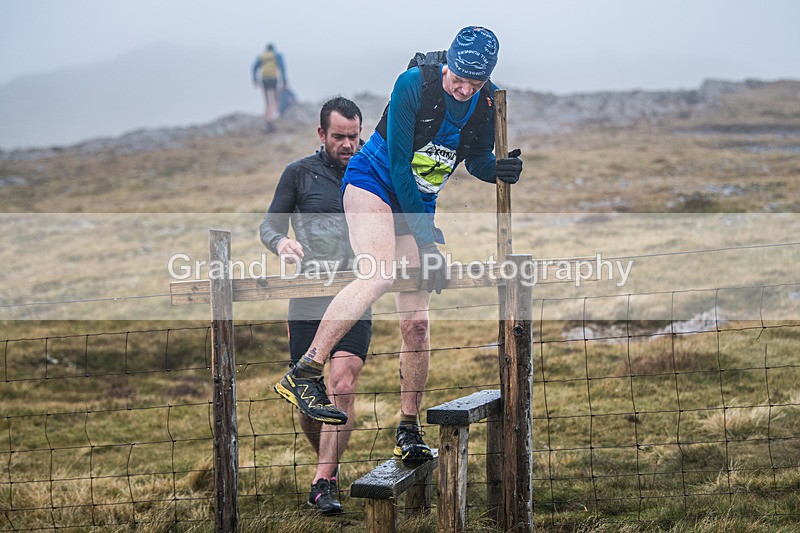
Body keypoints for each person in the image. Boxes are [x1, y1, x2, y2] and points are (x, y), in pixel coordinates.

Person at [273, 26, 523, 465]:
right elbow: (400, 170)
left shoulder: (487, 101)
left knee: (418, 323)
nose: (464, 89)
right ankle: (306, 371)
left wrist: (497, 170)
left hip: (419, 200)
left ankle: (408, 428)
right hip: (375, 184)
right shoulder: (415, 84)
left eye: (475, 83)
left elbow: (475, 156)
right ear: (448, 65)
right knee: (380, 272)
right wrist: (427, 242)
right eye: (459, 79)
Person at [262, 97, 370, 515]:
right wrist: (281, 242)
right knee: (310, 398)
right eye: (339, 136)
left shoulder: (369, 172)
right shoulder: (298, 174)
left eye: (354, 137)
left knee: (343, 381)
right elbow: (270, 224)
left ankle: (324, 480)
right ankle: (327, 464)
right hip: (307, 296)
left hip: (356, 293)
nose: (348, 145)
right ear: (321, 134)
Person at [252, 43, 287, 132]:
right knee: (276, 100)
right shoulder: (276, 55)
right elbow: (282, 68)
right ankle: (269, 119)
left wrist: (255, 80)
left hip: (264, 79)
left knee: (267, 102)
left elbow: (254, 67)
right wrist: (284, 81)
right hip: (273, 79)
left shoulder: (262, 56)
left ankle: (266, 123)